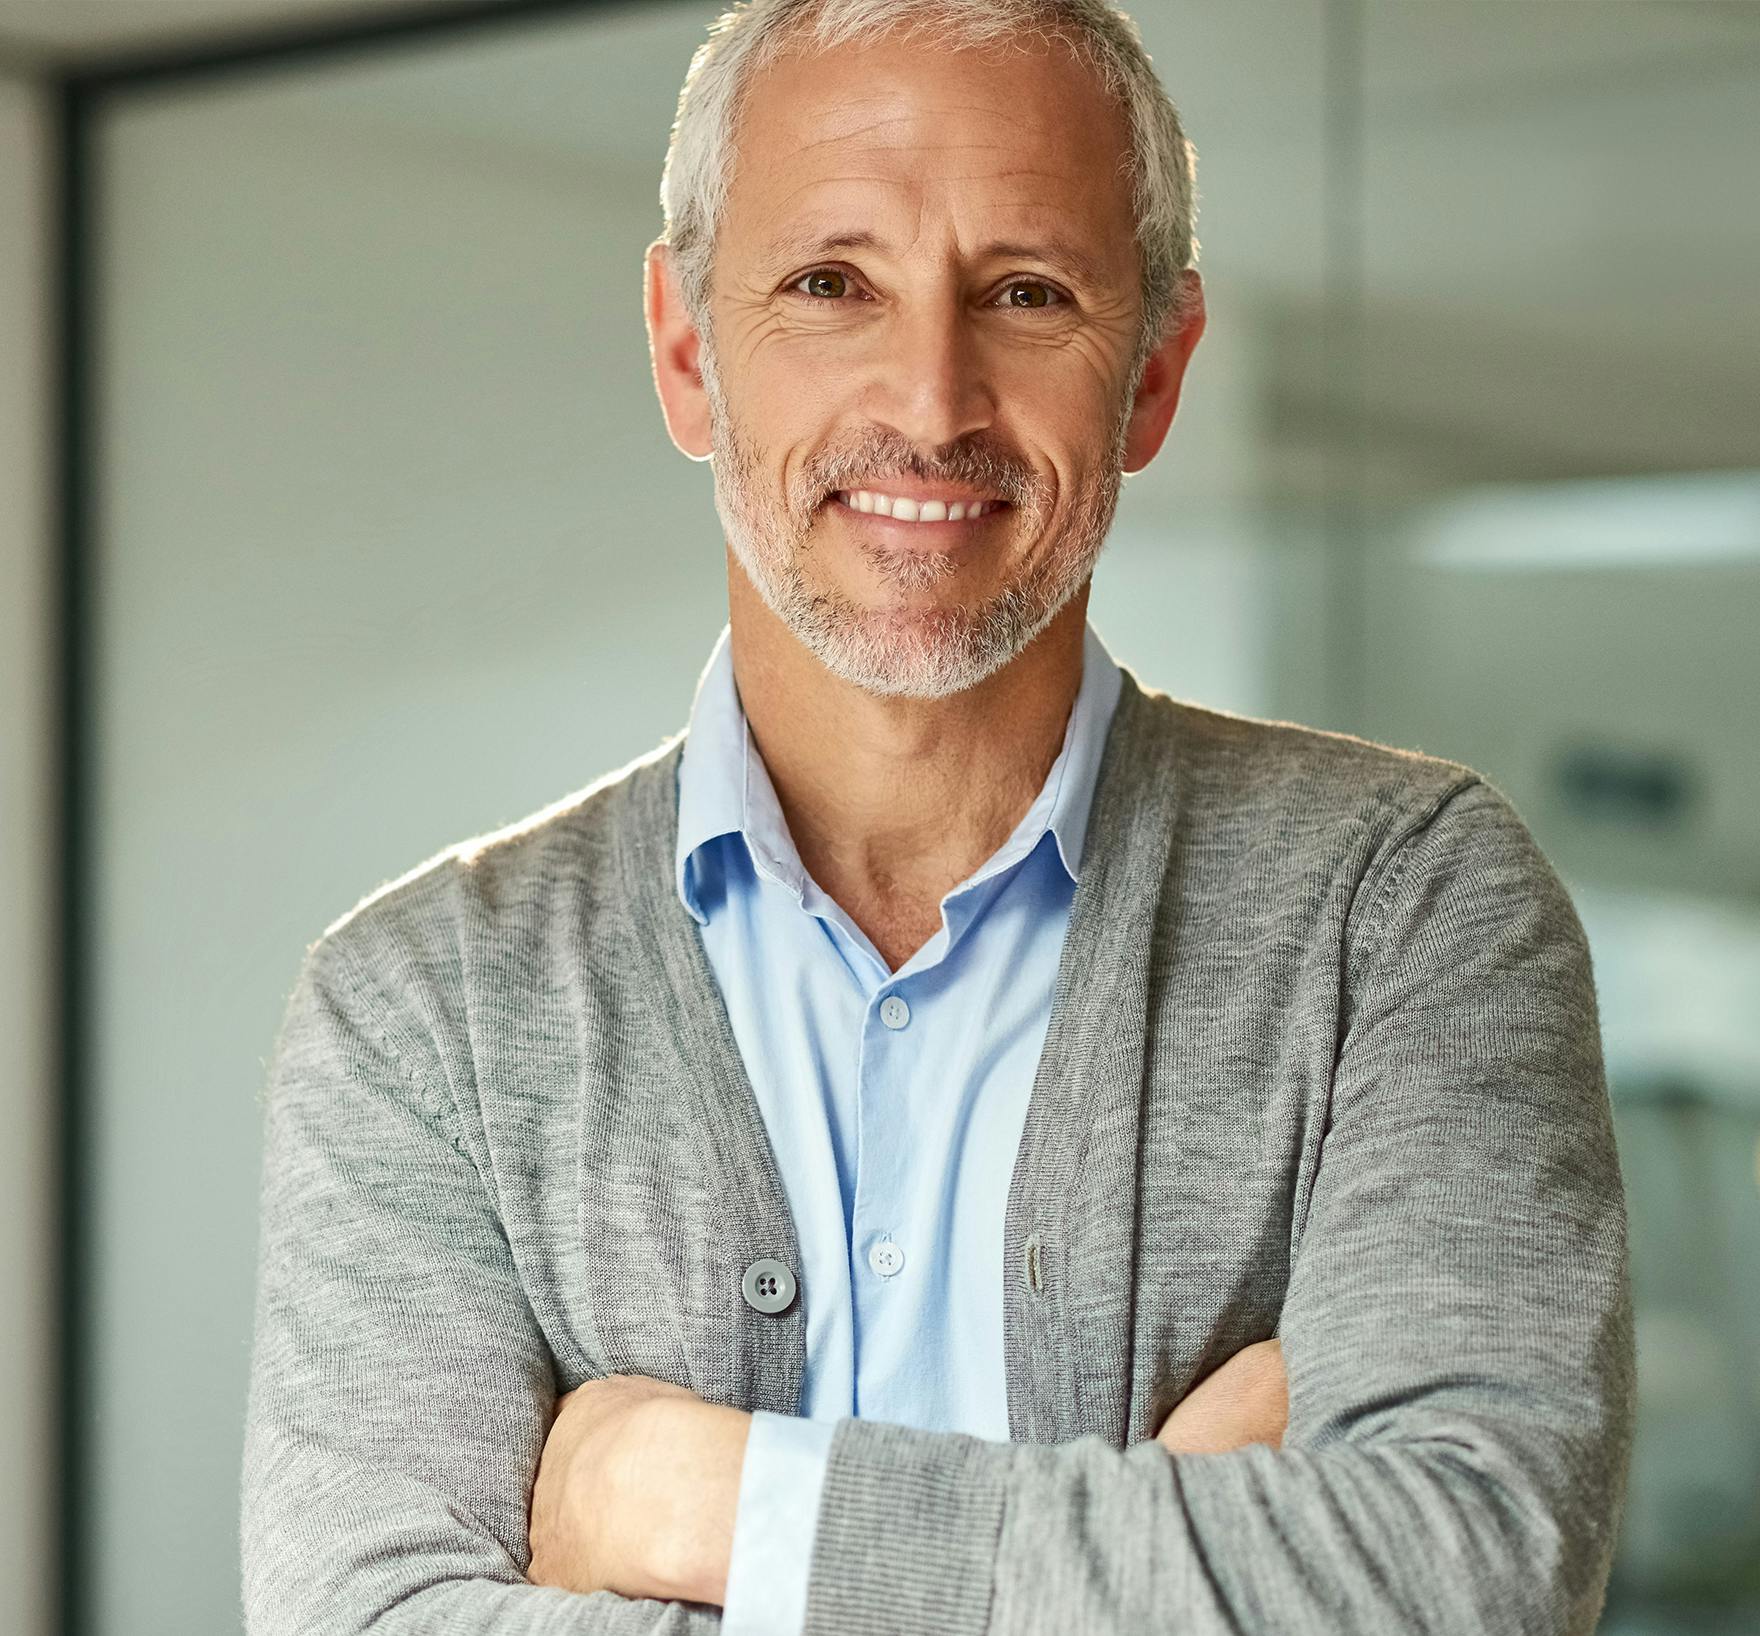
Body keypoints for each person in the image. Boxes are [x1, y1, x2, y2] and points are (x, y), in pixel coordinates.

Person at [239, 2, 1636, 1633]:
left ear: (1158, 373)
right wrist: (1191, 1541)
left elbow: (1467, 1579)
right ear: (690, 351)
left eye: (1027, 293)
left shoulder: (1403, 915)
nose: (933, 395)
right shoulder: (429, 1011)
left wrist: (703, 1505)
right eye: (832, 284)